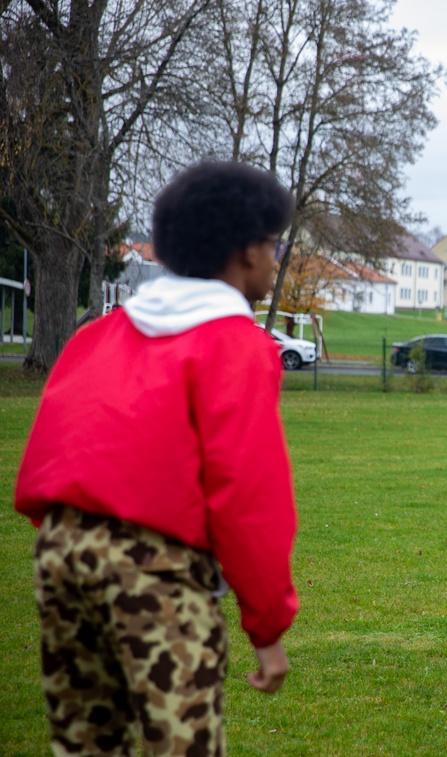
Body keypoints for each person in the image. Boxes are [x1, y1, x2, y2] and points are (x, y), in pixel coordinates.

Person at [14, 161, 300, 756]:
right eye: (274, 245)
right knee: (182, 744)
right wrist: (267, 627)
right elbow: (247, 495)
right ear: (247, 251)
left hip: (61, 555)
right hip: (154, 570)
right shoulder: (235, 345)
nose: (276, 260)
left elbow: (55, 451)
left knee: (87, 741)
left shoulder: (101, 333)